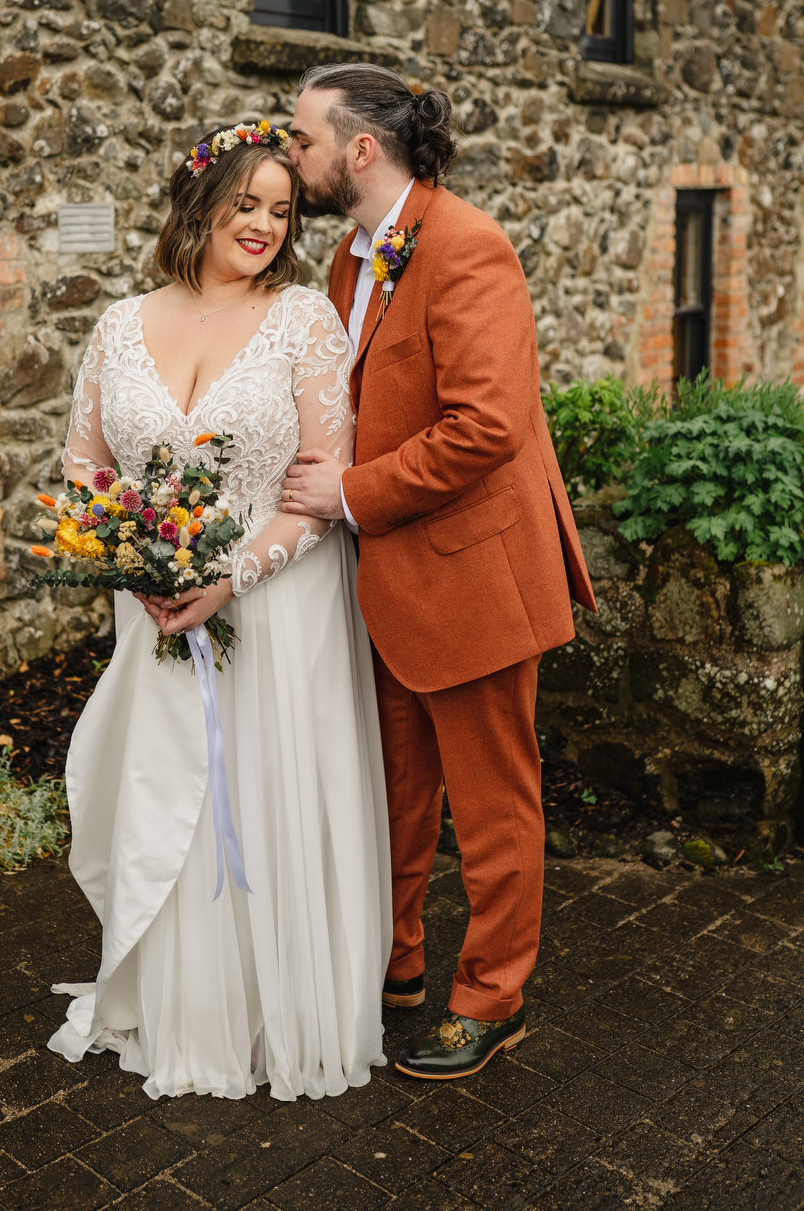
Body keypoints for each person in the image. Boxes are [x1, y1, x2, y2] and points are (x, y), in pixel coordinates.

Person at [47, 121, 391, 1101]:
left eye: (281, 211)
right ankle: (179, 1009)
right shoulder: (119, 322)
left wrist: (229, 577)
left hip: (276, 613)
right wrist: (130, 555)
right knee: (167, 803)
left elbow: (320, 488)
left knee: (262, 798)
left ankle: (271, 1012)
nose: (264, 226)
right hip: (155, 609)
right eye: (246, 203)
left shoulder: (302, 323)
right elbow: (84, 465)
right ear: (196, 202)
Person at [279, 64, 596, 1082]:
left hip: (472, 577)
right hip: (385, 582)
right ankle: (394, 966)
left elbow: (486, 427)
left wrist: (351, 494)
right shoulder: (347, 258)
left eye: (300, 139)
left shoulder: (467, 246)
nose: (291, 156)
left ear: (359, 149)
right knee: (396, 791)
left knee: (493, 803)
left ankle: (489, 999)